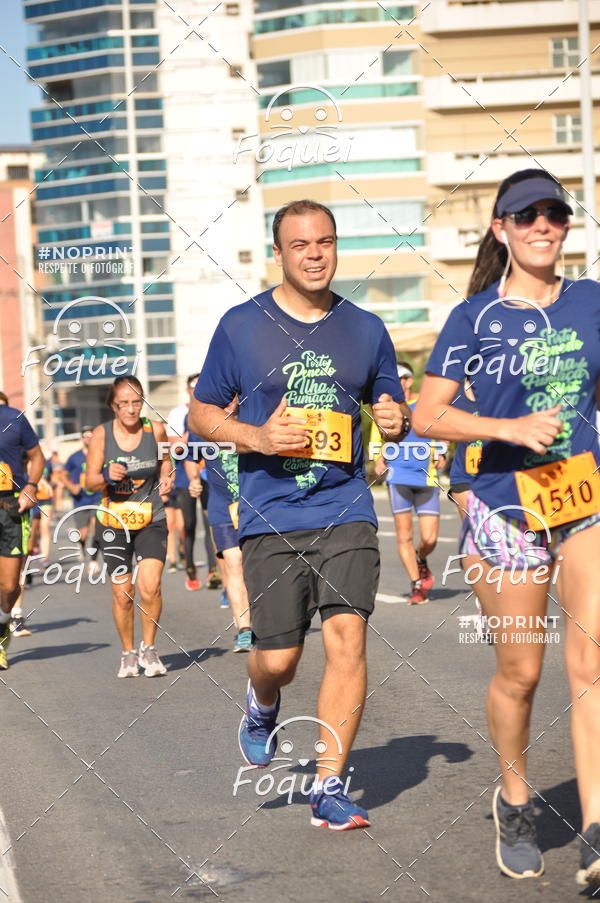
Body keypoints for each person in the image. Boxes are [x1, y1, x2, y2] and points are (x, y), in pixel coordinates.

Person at [190, 199, 410, 830]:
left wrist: (394, 419)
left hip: (344, 507)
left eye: (326, 242)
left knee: (348, 638)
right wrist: (257, 438)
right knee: (279, 658)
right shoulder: (241, 325)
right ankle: (263, 704)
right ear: (279, 253)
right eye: (300, 245)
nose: (315, 254)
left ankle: (329, 786)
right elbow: (202, 413)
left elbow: (389, 401)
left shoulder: (366, 328)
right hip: (271, 513)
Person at [413, 169, 600, 885]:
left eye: (554, 212)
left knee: (590, 665)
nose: (543, 225)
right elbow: (429, 414)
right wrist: (506, 427)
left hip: (582, 497)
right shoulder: (473, 319)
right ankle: (516, 800)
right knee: (522, 671)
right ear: (502, 229)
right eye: (527, 216)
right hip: (504, 503)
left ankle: (594, 828)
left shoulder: (590, 301)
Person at [86, 376, 173, 678]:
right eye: (124, 404)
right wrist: (106, 474)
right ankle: (128, 653)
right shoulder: (101, 435)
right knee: (124, 594)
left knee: (150, 585)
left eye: (136, 402)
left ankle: (149, 649)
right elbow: (89, 482)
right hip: (114, 522)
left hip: (151, 517)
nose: (131, 409)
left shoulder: (155, 430)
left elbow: (164, 461)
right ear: (113, 405)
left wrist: (167, 477)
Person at [372, 361, 447, 605]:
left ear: (410, 380)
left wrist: (442, 452)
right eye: (397, 378)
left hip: (425, 478)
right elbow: (378, 438)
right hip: (399, 477)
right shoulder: (384, 408)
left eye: (404, 377)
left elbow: (441, 430)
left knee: (430, 539)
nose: (401, 382)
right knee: (404, 535)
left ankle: (420, 557)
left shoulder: (424, 404)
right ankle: (417, 585)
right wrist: (378, 457)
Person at [185, 417, 253, 652]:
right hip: (222, 506)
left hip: (256, 503)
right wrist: (194, 480)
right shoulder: (202, 424)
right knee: (235, 564)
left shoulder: (252, 414)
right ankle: (244, 629)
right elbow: (191, 459)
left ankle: (270, 620)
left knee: (258, 566)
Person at [0, 402, 44, 669]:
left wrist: (31, 485)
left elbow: (37, 456)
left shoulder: (14, 418)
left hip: (11, 508)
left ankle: (2, 628)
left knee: (8, 586)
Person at [62, 426, 102, 577]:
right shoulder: (74, 457)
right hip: (80, 500)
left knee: (96, 529)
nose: (88, 438)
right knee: (83, 534)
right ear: (82, 438)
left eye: (91, 435)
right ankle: (81, 545)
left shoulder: (100, 455)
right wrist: (71, 486)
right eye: (85, 435)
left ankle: (93, 561)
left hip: (97, 497)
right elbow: (63, 474)